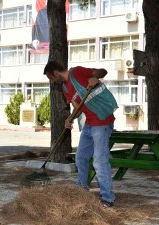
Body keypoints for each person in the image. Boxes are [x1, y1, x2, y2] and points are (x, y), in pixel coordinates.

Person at [43, 60, 118, 207]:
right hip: (89, 124)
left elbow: (101, 71)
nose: (52, 81)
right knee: (81, 157)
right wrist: (69, 119)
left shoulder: (76, 72)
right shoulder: (65, 88)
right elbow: (78, 109)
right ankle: (81, 190)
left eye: (50, 78)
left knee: (99, 161)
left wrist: (95, 77)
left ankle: (107, 198)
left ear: (55, 73)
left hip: (102, 121)